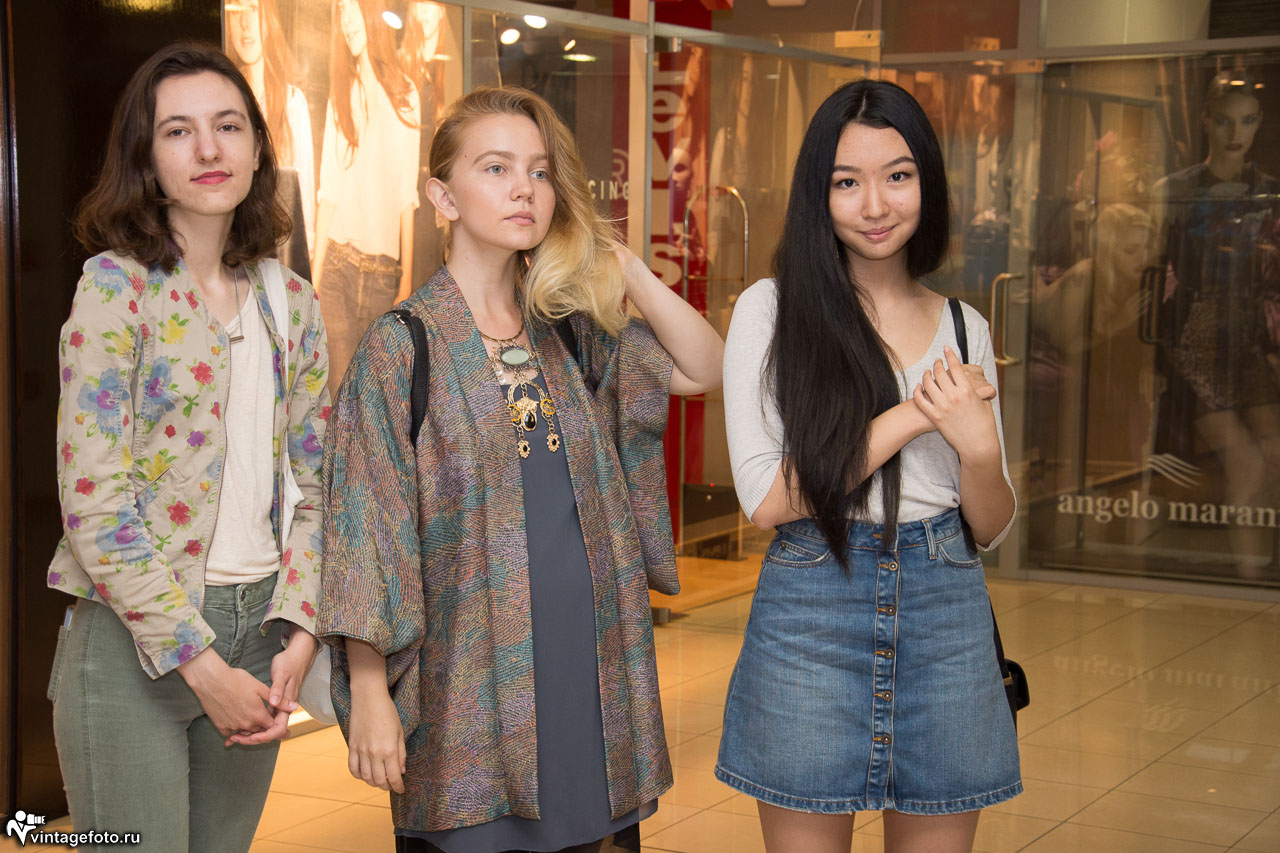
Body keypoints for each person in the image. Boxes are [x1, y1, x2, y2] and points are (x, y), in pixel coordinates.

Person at [317, 86, 724, 853]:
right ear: (443, 195)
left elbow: (706, 366)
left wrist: (625, 266)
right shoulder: (402, 347)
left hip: (588, 675)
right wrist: (369, 689)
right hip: (467, 691)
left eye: (539, 172)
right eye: (496, 168)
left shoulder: (569, 333)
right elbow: (363, 531)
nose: (524, 189)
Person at [716, 79, 1021, 853]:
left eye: (898, 175)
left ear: (927, 181)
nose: (875, 204)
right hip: (811, 608)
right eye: (847, 182)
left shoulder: (965, 325)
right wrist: (920, 412)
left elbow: (990, 524)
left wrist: (981, 449)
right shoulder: (770, 310)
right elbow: (769, 497)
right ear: (818, 195)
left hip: (947, 610)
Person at [46, 42, 329, 853]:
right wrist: (199, 663)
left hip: (260, 634)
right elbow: (94, 504)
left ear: (256, 148)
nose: (208, 148)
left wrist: (302, 627)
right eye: (178, 130)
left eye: (228, 126)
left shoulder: (292, 301)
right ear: (147, 156)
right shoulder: (116, 287)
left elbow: (319, 484)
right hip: (134, 640)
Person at [1153, 68, 1280, 576]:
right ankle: (1249, 575)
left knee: (1274, 449)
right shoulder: (1177, 189)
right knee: (1247, 460)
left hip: (1248, 334)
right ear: (1206, 120)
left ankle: (1260, 570)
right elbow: (1155, 276)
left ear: (1259, 123)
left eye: (1247, 121)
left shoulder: (1269, 191)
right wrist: (1151, 358)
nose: (1235, 133)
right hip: (1194, 335)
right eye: (1225, 120)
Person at [314, 0, 421, 394]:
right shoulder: (341, 95)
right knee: (337, 392)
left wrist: (406, 279)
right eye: (340, 13)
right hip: (337, 267)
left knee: (377, 397)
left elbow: (407, 196)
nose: (347, 22)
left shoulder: (405, 94)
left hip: (382, 274)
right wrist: (314, 278)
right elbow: (329, 192)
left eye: (353, 9)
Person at [225, 0, 317, 276]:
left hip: (278, 262)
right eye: (237, 11)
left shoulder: (292, 103)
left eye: (253, 9)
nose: (245, 24)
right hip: (228, 259)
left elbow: (304, 200)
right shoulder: (221, 106)